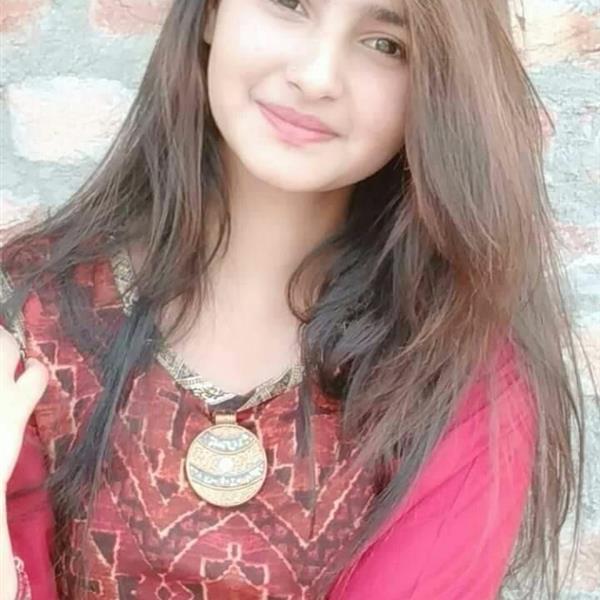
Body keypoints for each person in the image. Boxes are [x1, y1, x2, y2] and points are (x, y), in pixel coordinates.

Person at [0, 0, 590, 598]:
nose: (316, 75)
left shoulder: (460, 376)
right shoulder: (27, 315)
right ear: (211, 12)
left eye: (386, 44)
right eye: (289, 3)